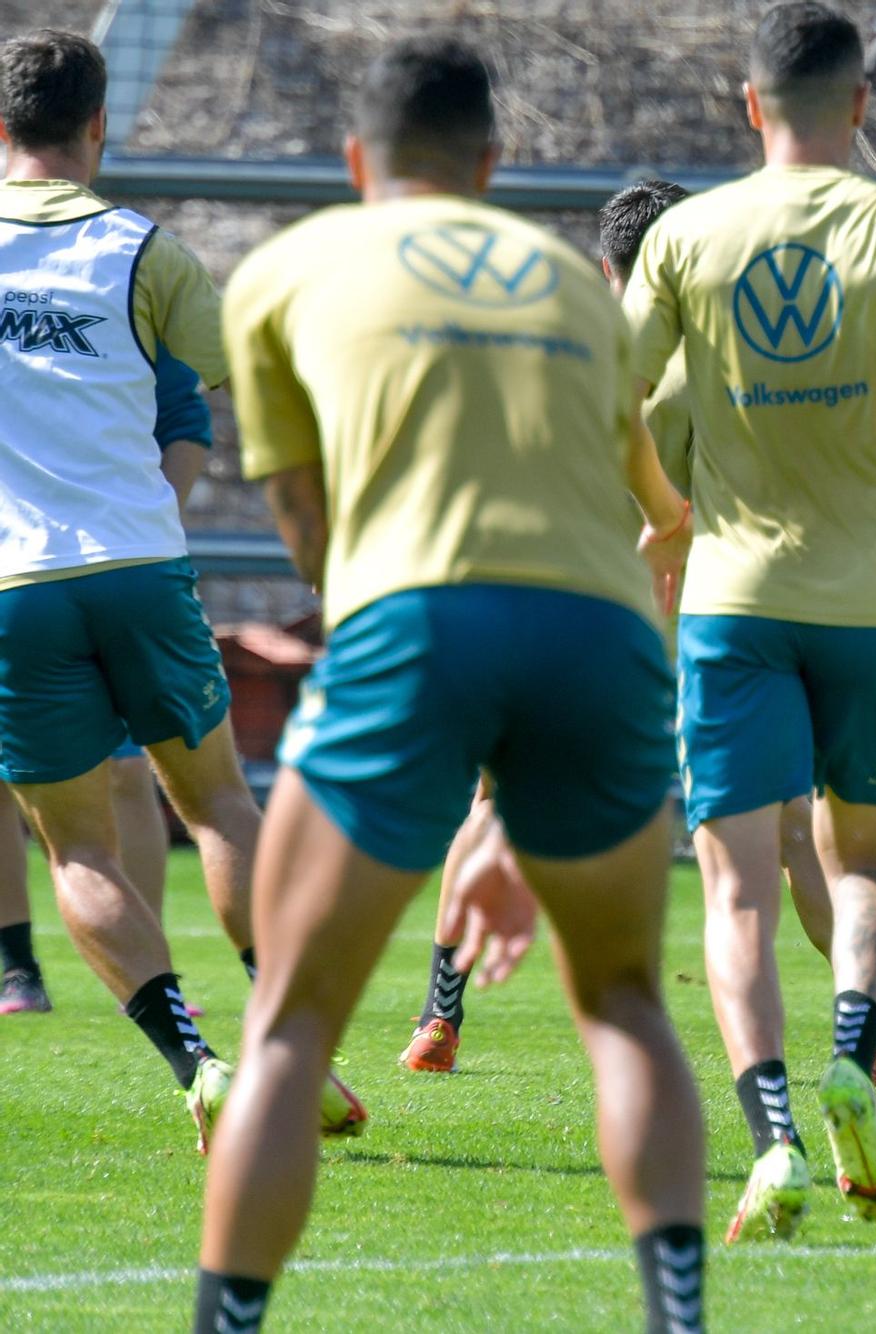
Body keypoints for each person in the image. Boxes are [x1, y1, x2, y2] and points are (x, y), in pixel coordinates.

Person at [194, 37, 705, 1333]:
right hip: (600, 638)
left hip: (414, 616)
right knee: (630, 1001)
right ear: (492, 163)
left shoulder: (282, 269)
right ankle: (680, 1317)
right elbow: (649, 510)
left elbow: (310, 519)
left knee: (293, 1018)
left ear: (358, 159)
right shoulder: (586, 292)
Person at [398, 177, 876, 1094]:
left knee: (497, 806)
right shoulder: (715, 362)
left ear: (607, 264)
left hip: (542, 604)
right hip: (688, 615)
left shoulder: (547, 343)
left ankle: (436, 1017)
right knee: (784, 829)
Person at [622, 2, 876, 1241]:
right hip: (871, 603)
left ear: (748, 104)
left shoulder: (687, 232)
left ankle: (774, 1134)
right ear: (862, 103)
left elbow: (606, 391)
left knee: (732, 890)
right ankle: (854, 1051)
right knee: (869, 862)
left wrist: (667, 511)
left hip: (733, 602)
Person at [0, 28, 361, 1148]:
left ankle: (195, 1065)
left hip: (17, 582)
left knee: (79, 849)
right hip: (142, 567)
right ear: (98, 126)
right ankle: (298, 1053)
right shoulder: (147, 250)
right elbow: (219, 385)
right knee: (217, 806)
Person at [0, 343, 214, 1018]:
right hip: (17, 575)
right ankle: (17, 971)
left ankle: (152, 973)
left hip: (107, 572)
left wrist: (148, 530)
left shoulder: (122, 288)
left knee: (131, 774)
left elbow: (186, 417)